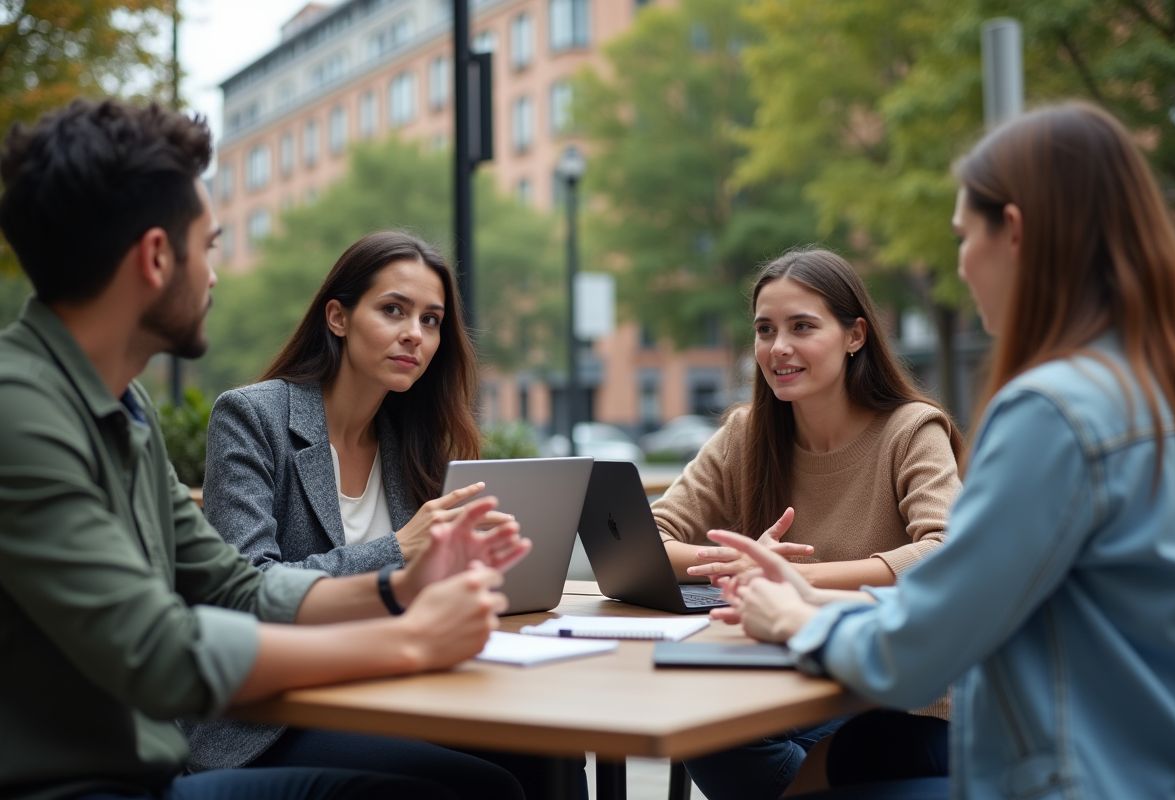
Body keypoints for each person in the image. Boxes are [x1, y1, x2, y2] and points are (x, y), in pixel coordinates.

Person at [0, 98, 531, 800]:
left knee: (508, 773)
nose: (214, 274)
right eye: (210, 245)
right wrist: (405, 639)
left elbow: (234, 586)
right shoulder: (19, 412)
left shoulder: (125, 411)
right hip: (89, 790)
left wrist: (398, 587)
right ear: (158, 257)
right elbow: (160, 649)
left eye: (429, 320)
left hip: (141, 775)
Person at [715, 102, 1175, 799]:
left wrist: (797, 618)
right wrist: (817, 607)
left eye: (963, 237)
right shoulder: (1153, 393)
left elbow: (924, 650)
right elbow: (975, 608)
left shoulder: (1052, 413)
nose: (962, 267)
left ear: (1014, 232)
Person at [185, 230, 583, 799]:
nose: (414, 335)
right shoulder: (252, 418)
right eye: (394, 310)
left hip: (391, 686)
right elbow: (248, 586)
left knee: (553, 750)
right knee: (484, 785)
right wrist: (399, 549)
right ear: (338, 318)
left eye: (431, 320)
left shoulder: (411, 440)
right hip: (272, 714)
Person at [650, 248, 964, 800]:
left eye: (802, 327)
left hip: (898, 700)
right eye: (765, 329)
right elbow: (650, 537)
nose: (779, 348)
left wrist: (798, 580)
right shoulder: (746, 434)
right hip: (787, 679)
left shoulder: (911, 430)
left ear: (855, 336)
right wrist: (741, 564)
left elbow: (947, 552)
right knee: (705, 728)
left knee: (742, 736)